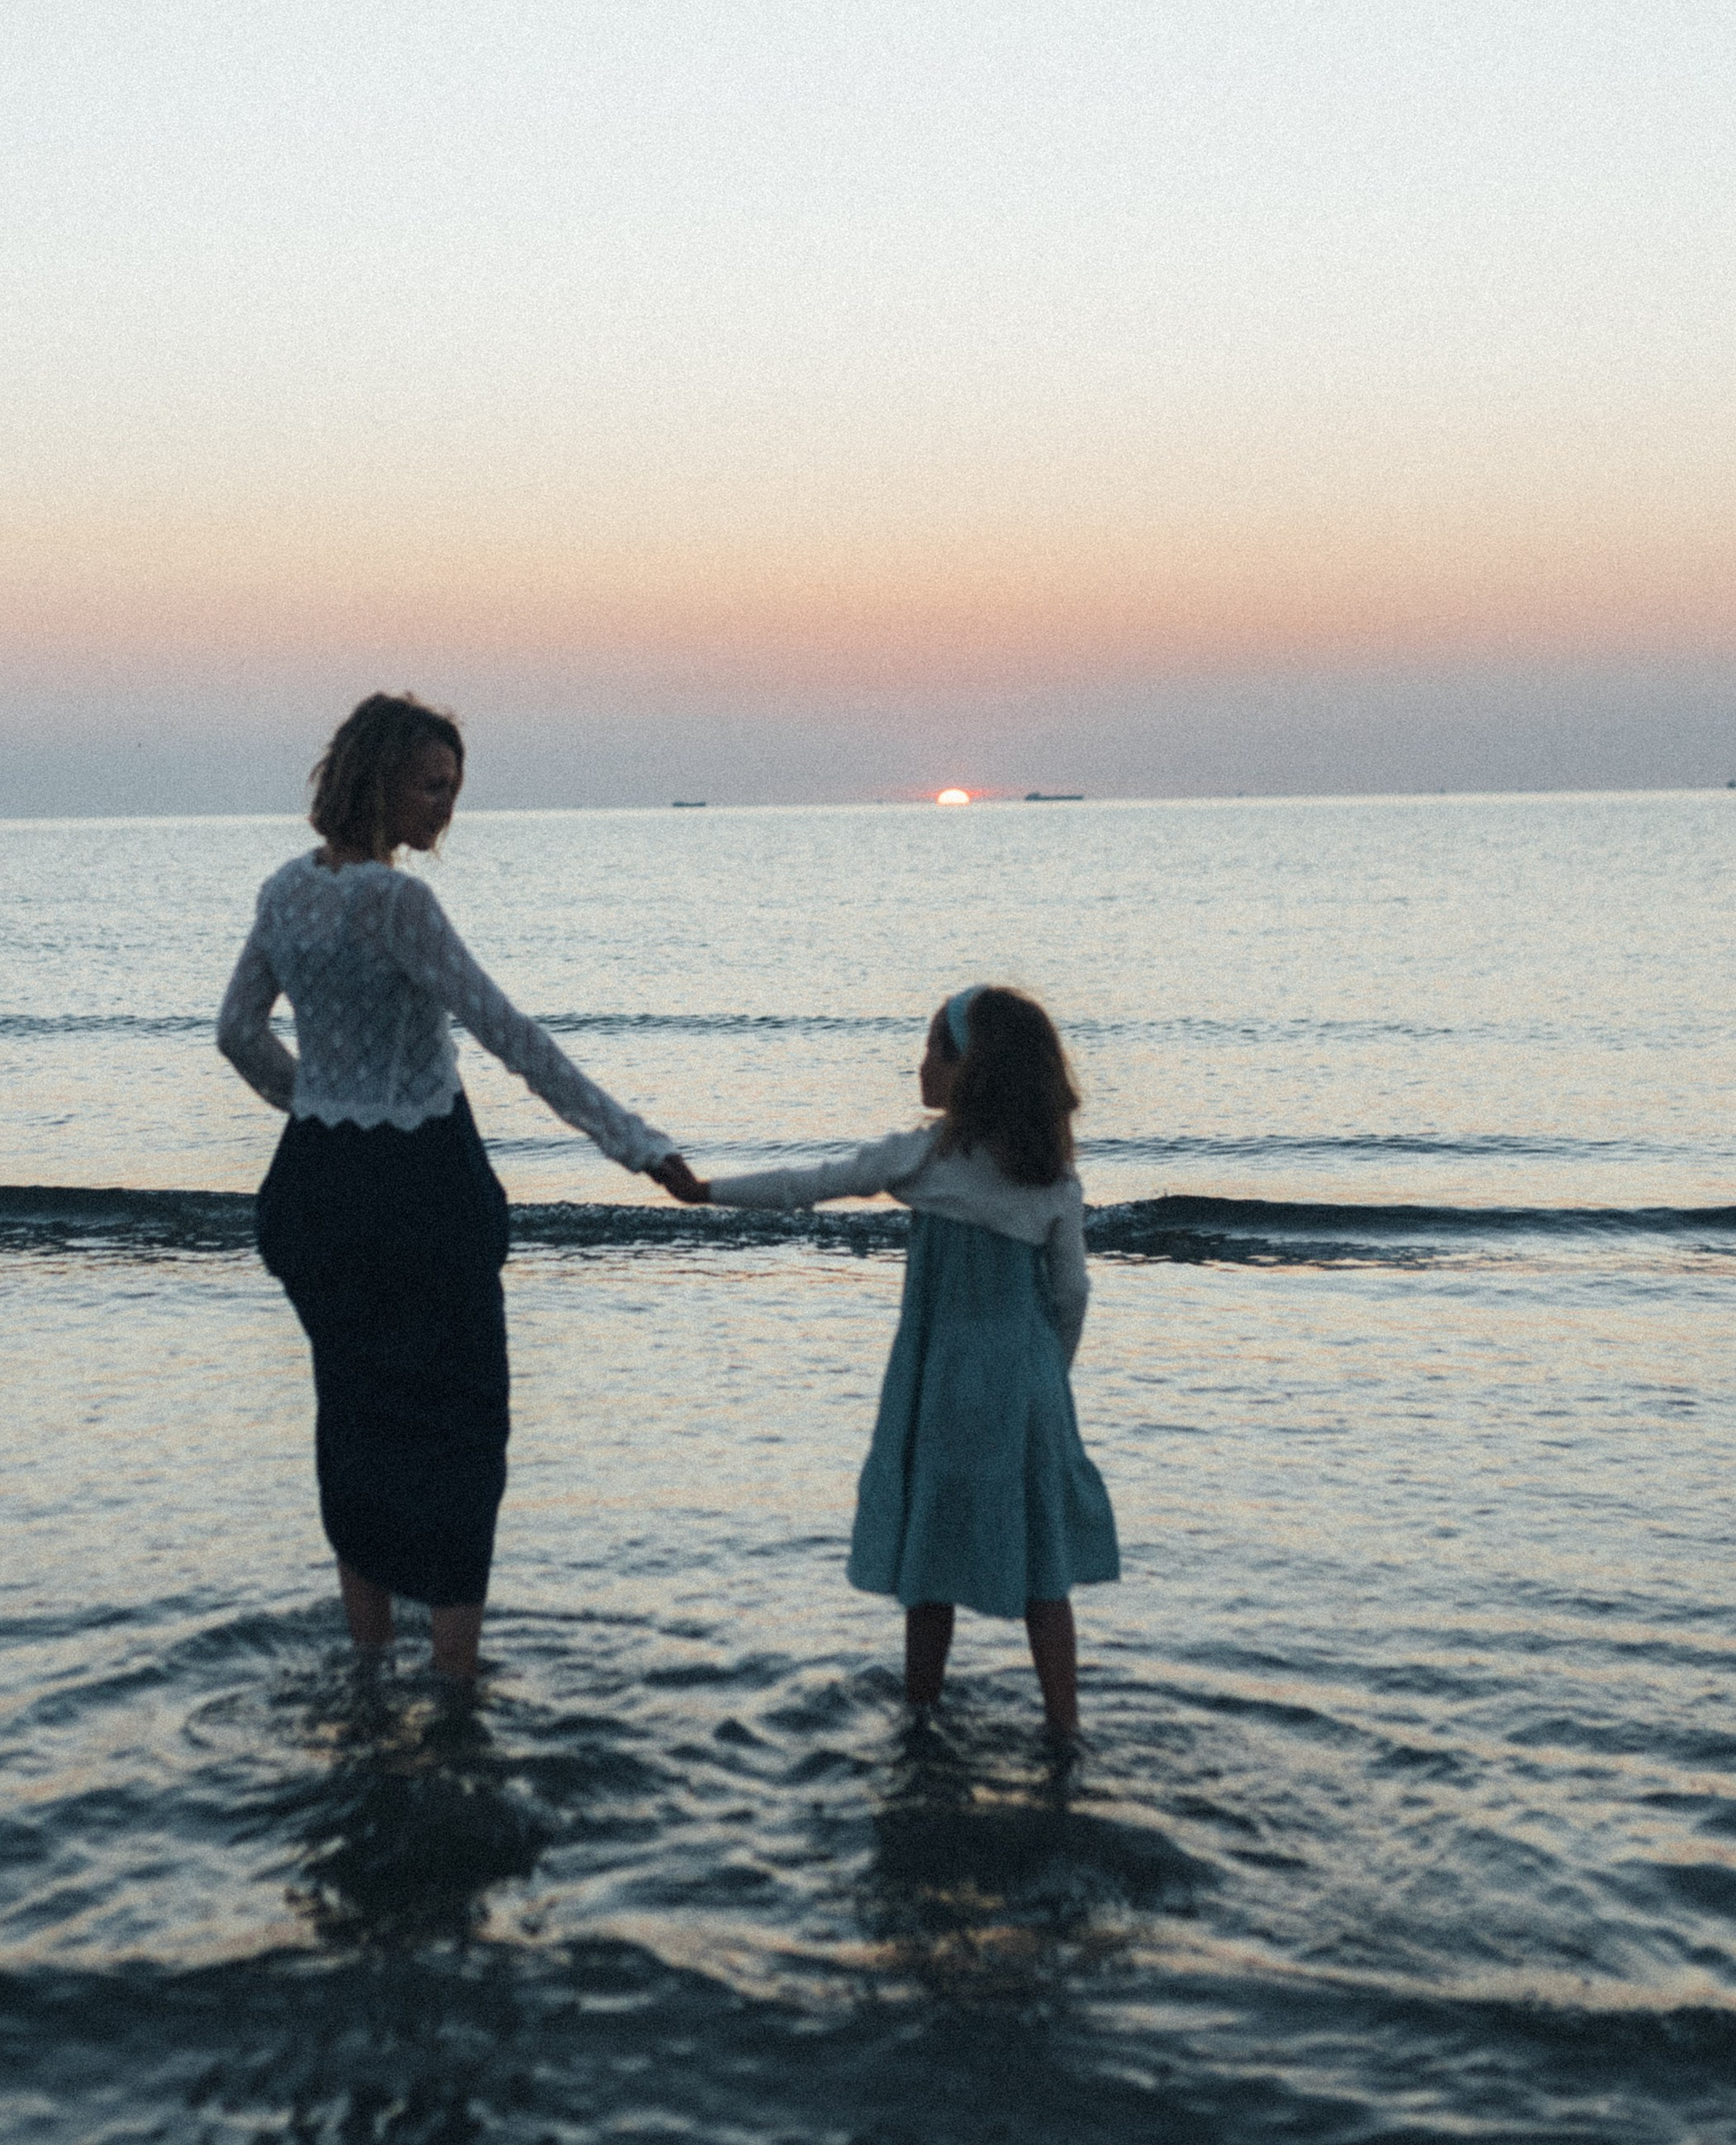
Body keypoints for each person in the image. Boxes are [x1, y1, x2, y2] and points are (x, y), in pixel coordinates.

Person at [218, 693, 703, 1683]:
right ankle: (452, 1677)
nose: (446, 807)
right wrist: (639, 1145)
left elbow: (235, 1032)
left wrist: (316, 1102)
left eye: (453, 787)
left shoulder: (284, 892)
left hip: (316, 1190)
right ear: (381, 780)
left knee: (352, 1418)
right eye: (433, 785)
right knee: (459, 1427)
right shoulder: (397, 904)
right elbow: (507, 1032)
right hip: (419, 1193)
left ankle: (367, 1663)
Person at [694, 984, 1116, 1737]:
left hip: (943, 1388)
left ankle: (922, 1713)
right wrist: (1050, 1375)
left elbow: (806, 1186)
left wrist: (705, 1191)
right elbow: (1073, 1293)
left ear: (972, 1069)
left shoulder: (920, 1157)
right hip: (1029, 1392)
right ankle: (1064, 1728)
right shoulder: (1053, 1181)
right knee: (1044, 1567)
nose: (920, 1064)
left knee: (931, 1558)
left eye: (934, 1049)